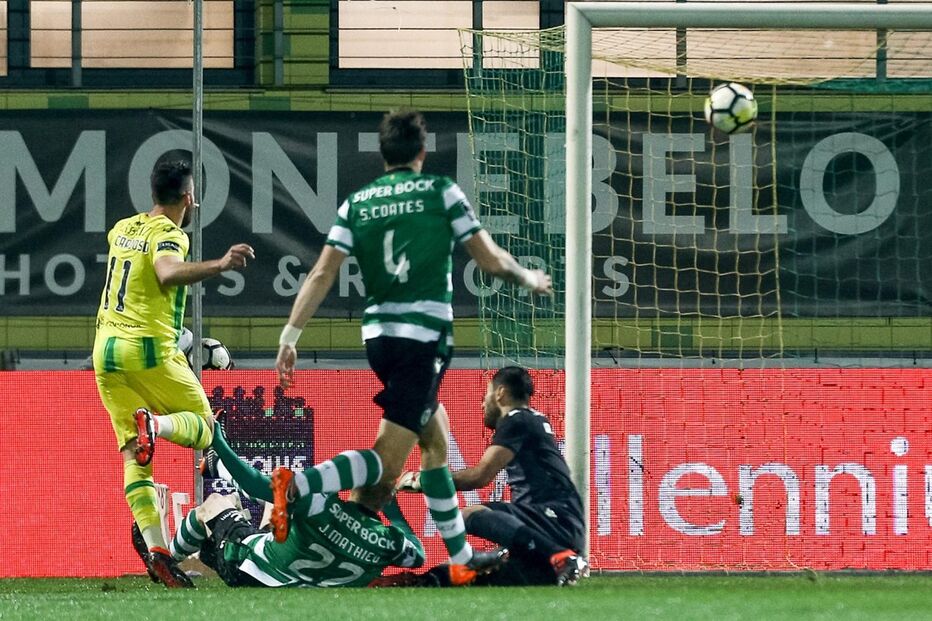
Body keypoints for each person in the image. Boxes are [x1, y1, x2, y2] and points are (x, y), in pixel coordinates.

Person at [272, 108, 551, 585]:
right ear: (422, 152)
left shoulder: (357, 202)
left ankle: (461, 556)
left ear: (383, 155)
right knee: (386, 462)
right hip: (422, 341)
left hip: (379, 339)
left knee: (435, 440)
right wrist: (528, 277)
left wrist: (289, 336)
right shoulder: (441, 192)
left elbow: (321, 273)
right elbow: (488, 259)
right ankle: (296, 484)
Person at [93, 159, 254, 588]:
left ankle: (159, 552)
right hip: (148, 352)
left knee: (134, 456)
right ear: (189, 197)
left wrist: (193, 344)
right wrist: (220, 264)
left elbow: (139, 293)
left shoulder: (122, 229)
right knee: (204, 428)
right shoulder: (170, 234)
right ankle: (158, 424)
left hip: (105, 353)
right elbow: (165, 272)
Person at [149, 423, 426, 588]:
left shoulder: (321, 505)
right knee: (274, 509)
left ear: (354, 483)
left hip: (246, 569)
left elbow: (257, 484)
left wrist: (219, 443)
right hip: (301, 583)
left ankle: (165, 560)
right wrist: (394, 509)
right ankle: (217, 468)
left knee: (215, 504)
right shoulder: (389, 541)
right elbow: (419, 555)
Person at [398, 366, 588, 586]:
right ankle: (422, 581)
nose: (482, 404)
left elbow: (479, 476)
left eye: (485, 396)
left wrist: (422, 481)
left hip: (553, 519)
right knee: (482, 576)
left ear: (500, 393)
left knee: (465, 515)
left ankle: (560, 557)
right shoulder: (533, 419)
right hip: (556, 526)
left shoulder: (515, 420)